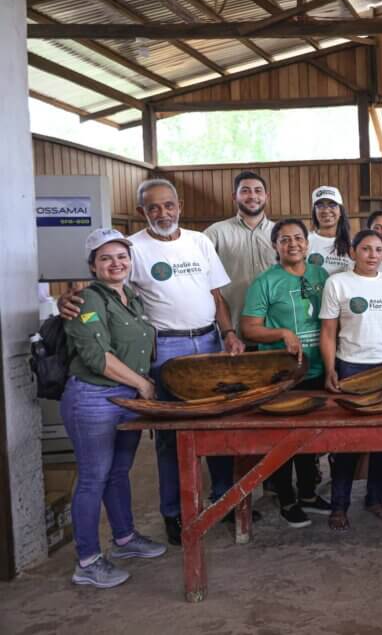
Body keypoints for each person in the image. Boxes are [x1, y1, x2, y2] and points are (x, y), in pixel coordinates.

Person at [59, 179, 245, 546]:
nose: (163, 213)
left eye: (168, 205)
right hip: (166, 349)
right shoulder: (135, 248)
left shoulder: (200, 241)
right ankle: (175, 513)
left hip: (208, 340)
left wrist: (228, 333)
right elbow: (105, 283)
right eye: (153, 208)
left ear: (179, 206)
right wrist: (71, 296)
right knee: (170, 435)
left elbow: (216, 295)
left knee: (220, 421)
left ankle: (223, 499)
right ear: (143, 211)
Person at [62, 229, 165, 589]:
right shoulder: (87, 300)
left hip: (126, 398)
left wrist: (137, 387)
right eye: (105, 258)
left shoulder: (130, 296)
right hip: (94, 398)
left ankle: (125, 539)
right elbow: (96, 356)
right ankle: (87, 561)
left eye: (121, 257)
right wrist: (142, 384)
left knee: (118, 472)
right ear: (92, 266)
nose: (116, 263)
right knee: (93, 477)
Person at [240, 219, 331, 529]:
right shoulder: (266, 282)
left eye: (298, 238)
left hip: (319, 368)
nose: (292, 244)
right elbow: (249, 327)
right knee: (283, 439)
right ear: (275, 245)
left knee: (309, 438)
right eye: (284, 239)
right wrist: (281, 332)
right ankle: (287, 499)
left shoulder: (321, 275)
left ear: (307, 243)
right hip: (283, 373)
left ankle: (308, 493)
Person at [320, 229, 382, 530]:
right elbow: (328, 332)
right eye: (366, 249)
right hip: (351, 368)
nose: (373, 255)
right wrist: (330, 367)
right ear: (353, 252)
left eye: (378, 249)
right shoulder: (338, 283)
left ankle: (374, 498)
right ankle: (339, 504)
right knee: (347, 442)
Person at [204, 171, 276, 331]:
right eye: (245, 190)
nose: (252, 196)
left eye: (258, 191)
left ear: (266, 196)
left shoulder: (280, 233)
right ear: (234, 196)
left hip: (274, 327)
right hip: (231, 329)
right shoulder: (215, 233)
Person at [307, 185, 353, 275]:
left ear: (340, 212)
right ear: (314, 212)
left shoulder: (351, 245)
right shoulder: (305, 241)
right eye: (320, 206)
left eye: (332, 205)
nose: (326, 210)